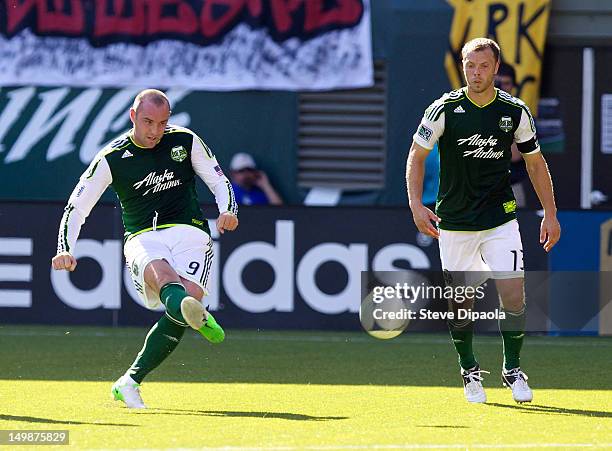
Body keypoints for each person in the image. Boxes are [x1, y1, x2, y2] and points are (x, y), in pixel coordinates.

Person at [51, 89, 239, 409]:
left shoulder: (185, 140)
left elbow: (218, 179)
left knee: (186, 299)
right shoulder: (112, 157)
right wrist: (64, 247)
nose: (155, 131)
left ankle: (130, 382)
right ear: (133, 116)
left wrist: (228, 210)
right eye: (148, 122)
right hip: (143, 236)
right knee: (172, 286)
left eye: (162, 123)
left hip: (190, 232)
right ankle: (194, 312)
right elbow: (77, 206)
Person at [406, 38, 560, 404]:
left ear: (496, 68)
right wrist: (415, 204)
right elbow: (417, 154)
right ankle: (469, 370)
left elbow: (536, 164)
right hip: (455, 222)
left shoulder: (514, 111)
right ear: (463, 67)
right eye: (469, 66)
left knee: (513, 296)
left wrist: (550, 213)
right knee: (461, 303)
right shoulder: (442, 109)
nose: (475, 73)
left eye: (483, 66)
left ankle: (512, 369)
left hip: (500, 219)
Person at [495, 62, 529, 207]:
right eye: (497, 82)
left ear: (513, 85)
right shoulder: (475, 111)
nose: (501, 87)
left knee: (511, 225)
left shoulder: (519, 113)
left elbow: (515, 155)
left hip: (510, 186)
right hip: (479, 187)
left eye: (506, 83)